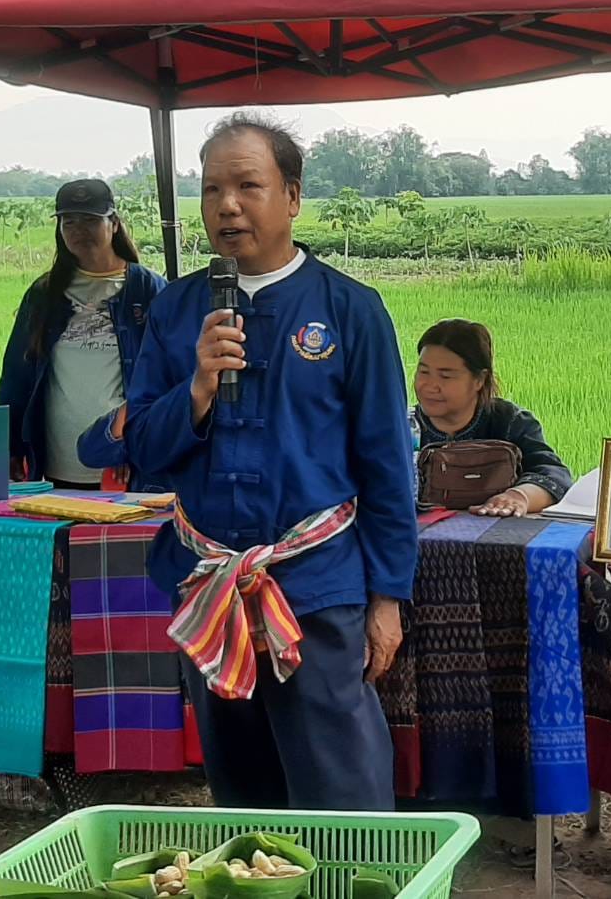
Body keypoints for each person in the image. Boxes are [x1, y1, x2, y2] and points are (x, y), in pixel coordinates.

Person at [121, 112, 417, 811]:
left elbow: (386, 465)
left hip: (315, 585)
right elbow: (144, 451)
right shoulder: (177, 311)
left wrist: (386, 600)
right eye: (212, 188)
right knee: (239, 780)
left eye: (248, 185)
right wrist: (196, 388)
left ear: (291, 196)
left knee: (338, 781)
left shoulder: (349, 310)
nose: (227, 205)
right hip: (207, 581)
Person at [0, 178, 166, 489]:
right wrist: (10, 446)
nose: (78, 230)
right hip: (57, 462)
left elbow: (164, 381)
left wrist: (134, 442)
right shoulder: (44, 293)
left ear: (113, 224)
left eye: (90, 220)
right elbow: (16, 377)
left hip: (125, 465)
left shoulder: (147, 289)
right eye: (69, 221)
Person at [412, 318, 573, 515]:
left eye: (445, 376)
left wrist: (519, 497)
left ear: (480, 379)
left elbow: (554, 475)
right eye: (424, 372)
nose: (430, 385)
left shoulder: (509, 422)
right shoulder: (403, 426)